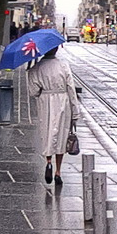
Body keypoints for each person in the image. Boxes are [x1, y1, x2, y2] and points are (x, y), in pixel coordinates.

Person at [29, 45, 80, 186]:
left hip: (45, 103)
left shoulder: (37, 68)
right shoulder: (63, 66)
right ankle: (58, 171)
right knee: (61, 136)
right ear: (56, 50)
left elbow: (33, 91)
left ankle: (48, 162)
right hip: (63, 102)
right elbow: (71, 88)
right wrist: (75, 111)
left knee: (47, 133)